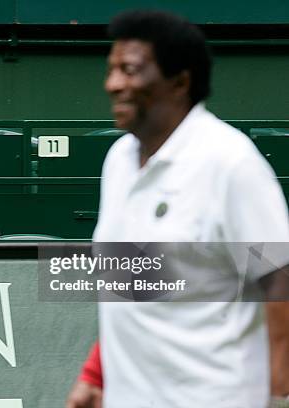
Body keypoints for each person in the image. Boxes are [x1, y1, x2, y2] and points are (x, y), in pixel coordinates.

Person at [66, 9, 289, 408]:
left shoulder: (231, 164)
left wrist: (275, 395)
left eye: (130, 70)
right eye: (111, 69)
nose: (113, 84)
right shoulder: (118, 162)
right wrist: (96, 375)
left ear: (180, 81)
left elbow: (280, 278)